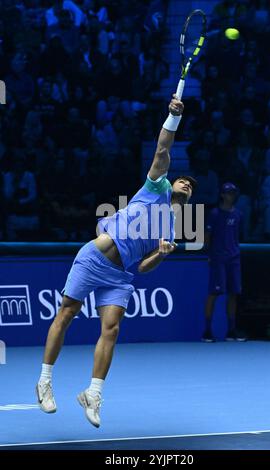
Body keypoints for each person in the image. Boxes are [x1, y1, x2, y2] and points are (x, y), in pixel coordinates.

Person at [36, 96, 197, 428]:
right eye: (184, 180)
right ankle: (45, 381)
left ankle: (93, 394)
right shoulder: (157, 186)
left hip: (121, 276)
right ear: (172, 182)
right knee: (66, 314)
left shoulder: (169, 227)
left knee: (111, 330)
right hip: (94, 257)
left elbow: (142, 268)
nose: (186, 184)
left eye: (191, 187)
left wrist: (161, 255)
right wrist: (173, 117)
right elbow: (163, 149)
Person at [202, 182, 246, 343]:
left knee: (233, 294)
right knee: (214, 293)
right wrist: (210, 255)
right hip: (218, 259)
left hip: (234, 259)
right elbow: (207, 237)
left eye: (233, 193)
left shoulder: (239, 215)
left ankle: (231, 330)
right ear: (222, 195)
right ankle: (207, 331)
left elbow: (238, 237)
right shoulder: (214, 214)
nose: (231, 196)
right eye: (228, 193)